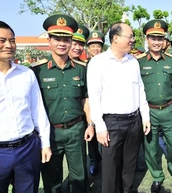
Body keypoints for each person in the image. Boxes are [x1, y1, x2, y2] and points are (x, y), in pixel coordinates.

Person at [31, 14, 94, 193]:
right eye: (57, 38)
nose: (62, 43)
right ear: (49, 40)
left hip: (76, 130)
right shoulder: (37, 71)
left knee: (79, 178)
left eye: (66, 39)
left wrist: (89, 124)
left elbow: (85, 99)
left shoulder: (81, 69)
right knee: (52, 179)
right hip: (49, 133)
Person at [87, 22, 151, 193]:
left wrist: (145, 116)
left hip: (134, 121)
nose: (132, 40)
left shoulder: (133, 62)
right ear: (115, 38)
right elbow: (94, 96)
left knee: (129, 167)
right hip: (111, 123)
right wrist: (99, 126)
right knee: (110, 170)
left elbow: (140, 89)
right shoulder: (98, 62)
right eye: (129, 36)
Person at [0, 21, 51, 193]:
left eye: (12, 40)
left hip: (27, 148)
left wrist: (45, 143)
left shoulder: (26, 74)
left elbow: (38, 111)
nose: (8, 45)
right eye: (2, 40)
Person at [137, 19, 172, 193]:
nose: (156, 42)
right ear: (147, 39)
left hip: (169, 109)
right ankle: (157, 176)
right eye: (153, 38)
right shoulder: (139, 62)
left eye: (160, 38)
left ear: (164, 41)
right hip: (149, 112)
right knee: (151, 147)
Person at [85, 30, 104, 175]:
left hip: (106, 106)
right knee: (92, 139)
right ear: (88, 48)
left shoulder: (108, 63)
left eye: (98, 46)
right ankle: (94, 160)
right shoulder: (82, 66)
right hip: (89, 106)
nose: (95, 49)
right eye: (92, 46)